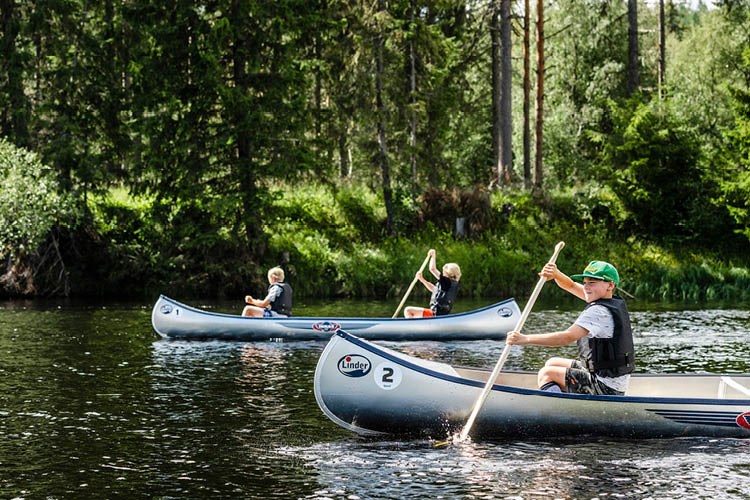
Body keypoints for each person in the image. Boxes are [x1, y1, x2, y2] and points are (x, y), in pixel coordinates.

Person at [505, 260, 634, 395]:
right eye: (584, 283)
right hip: (609, 379)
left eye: (592, 282)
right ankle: (561, 392)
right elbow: (571, 285)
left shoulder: (598, 312)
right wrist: (556, 274)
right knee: (552, 362)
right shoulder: (611, 301)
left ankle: (557, 407)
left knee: (546, 373)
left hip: (605, 388)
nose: (586, 287)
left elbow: (566, 337)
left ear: (610, 285)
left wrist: (525, 339)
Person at [404, 249, 461, 318]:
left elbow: (432, 269)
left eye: (444, 272)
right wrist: (422, 280)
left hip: (435, 314)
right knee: (413, 314)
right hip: (439, 314)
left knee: (408, 310)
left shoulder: (447, 281)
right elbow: (434, 289)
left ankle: (413, 327)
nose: (443, 273)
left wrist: (433, 255)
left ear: (448, 272)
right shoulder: (451, 284)